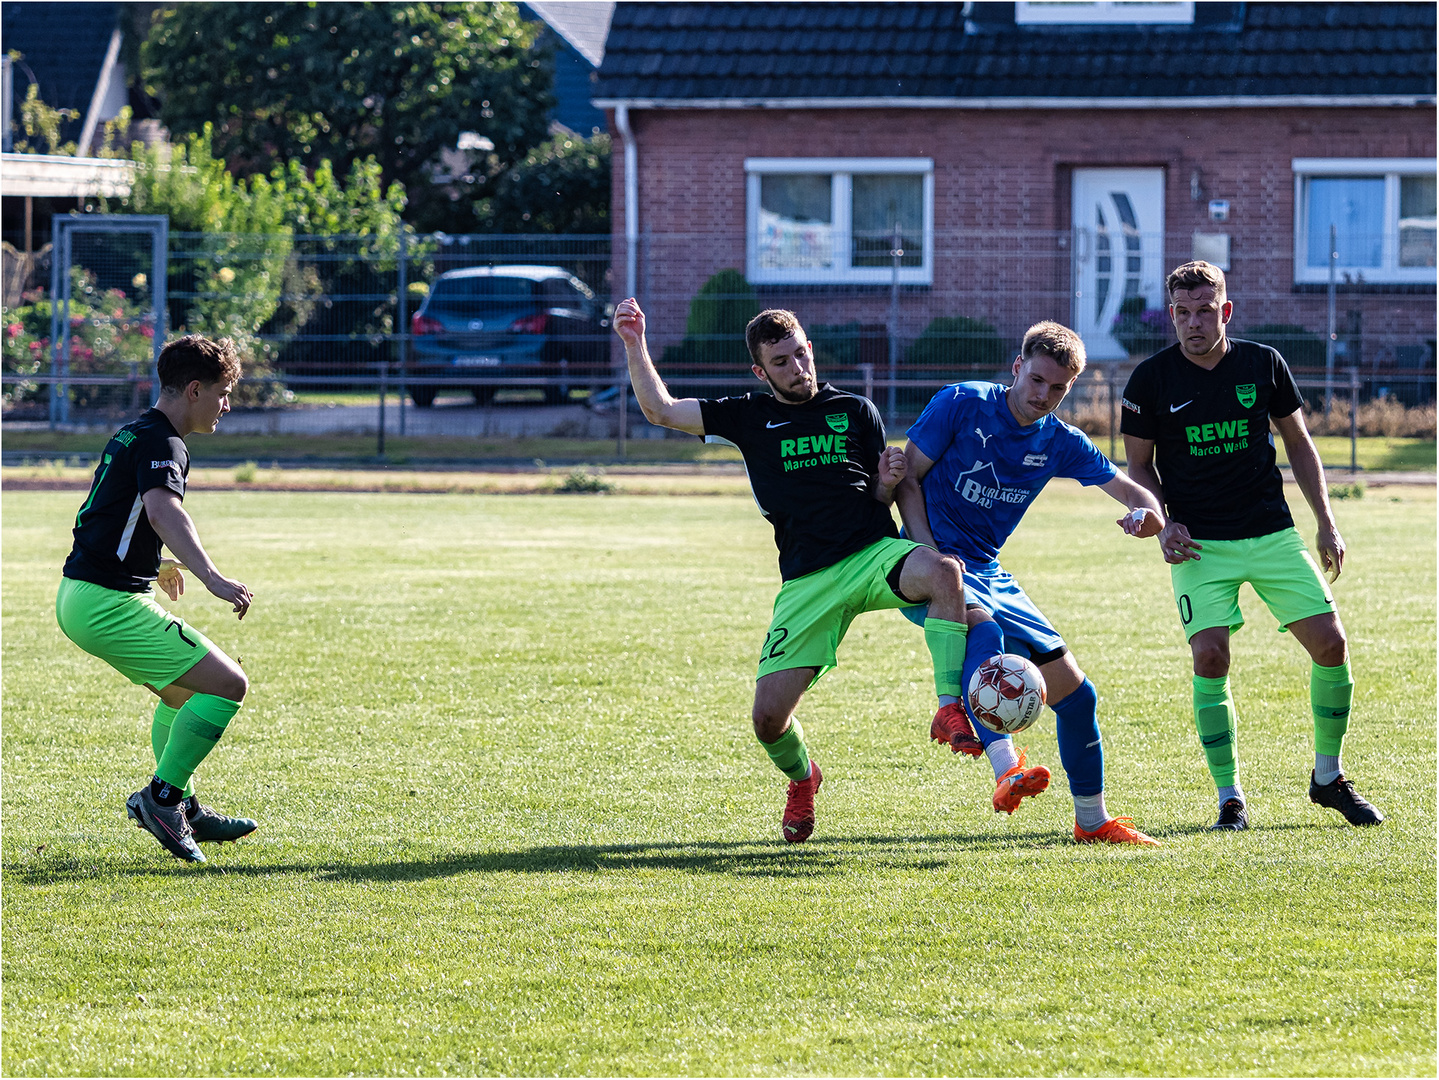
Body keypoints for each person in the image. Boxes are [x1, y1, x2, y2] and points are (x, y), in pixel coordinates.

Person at [613, 298, 977, 843]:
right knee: (767, 719)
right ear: (761, 371)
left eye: (802, 354)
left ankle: (949, 710)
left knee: (944, 571)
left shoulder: (856, 410)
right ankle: (803, 778)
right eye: (781, 362)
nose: (798, 368)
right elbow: (660, 410)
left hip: (870, 555)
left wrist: (887, 476)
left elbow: (882, 493)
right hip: (806, 581)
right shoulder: (748, 416)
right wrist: (634, 342)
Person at [1121, 260, 1382, 831]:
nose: (1194, 323)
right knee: (1210, 657)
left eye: (1205, 310)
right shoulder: (1149, 380)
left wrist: (1326, 521)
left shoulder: (1263, 364)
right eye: (1183, 313)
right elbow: (1138, 466)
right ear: (1171, 315)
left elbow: (1299, 443)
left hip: (1271, 532)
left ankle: (1328, 778)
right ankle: (1229, 796)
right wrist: (1164, 522)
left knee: (1332, 647)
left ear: (1226, 310)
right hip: (1200, 546)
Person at [894, 320, 1166, 846]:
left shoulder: (1061, 441)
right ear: (1018, 367)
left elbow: (1134, 492)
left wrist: (1149, 516)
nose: (1044, 395)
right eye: (1036, 380)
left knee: (1078, 696)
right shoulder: (962, 403)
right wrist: (930, 552)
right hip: (931, 565)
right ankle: (1005, 768)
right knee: (985, 632)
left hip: (991, 572)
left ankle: (1092, 822)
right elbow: (908, 478)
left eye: (1058, 387)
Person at [55, 334, 257, 864]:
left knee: (185, 696)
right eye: (222, 392)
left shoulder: (134, 431)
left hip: (84, 595)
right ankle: (163, 799)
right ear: (194, 389)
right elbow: (164, 511)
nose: (226, 405)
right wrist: (211, 576)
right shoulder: (165, 443)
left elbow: (114, 513)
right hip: (105, 602)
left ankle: (183, 803)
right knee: (228, 684)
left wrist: (156, 562)